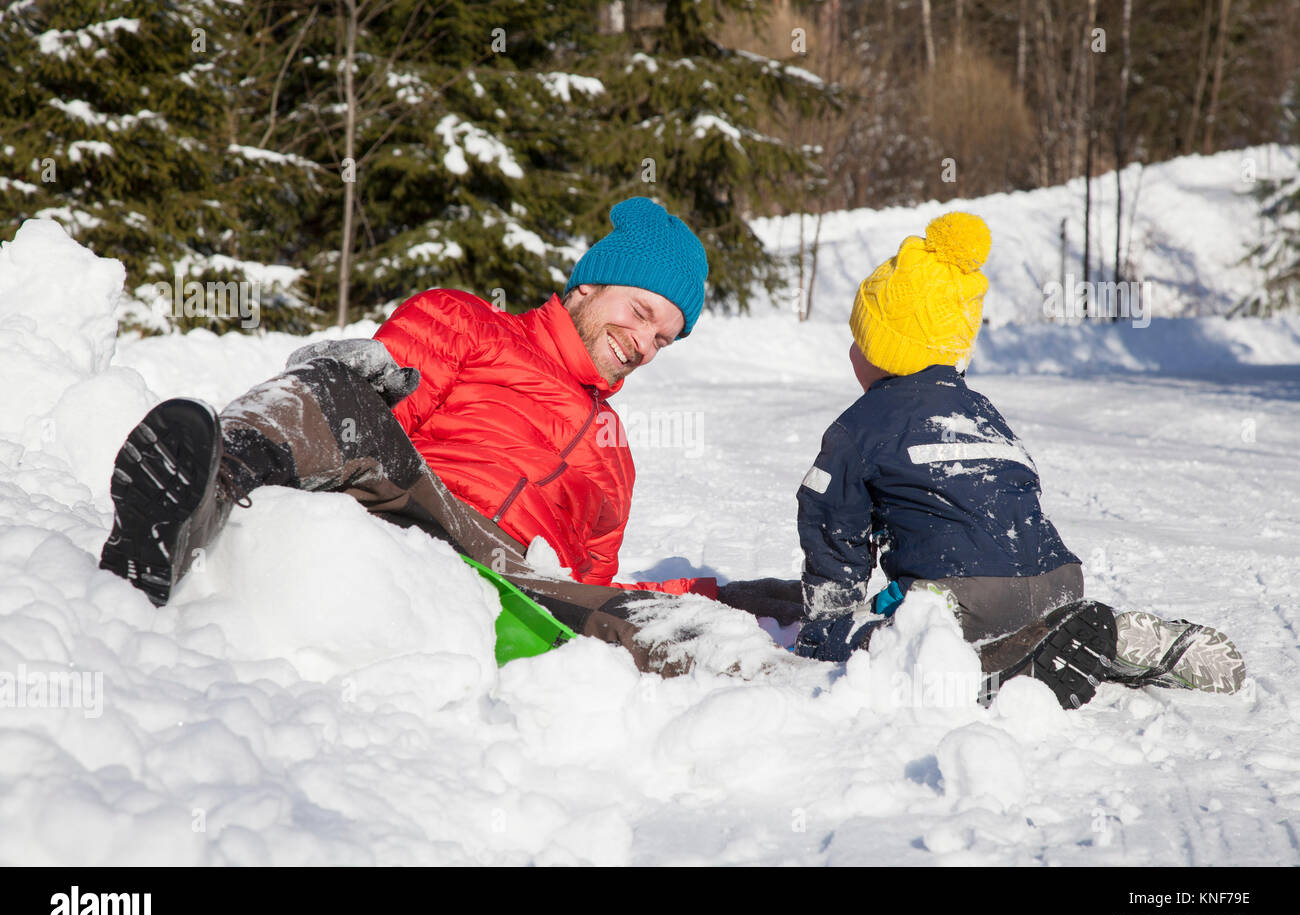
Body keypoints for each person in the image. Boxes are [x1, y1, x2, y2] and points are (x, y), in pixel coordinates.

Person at [99, 197, 780, 675]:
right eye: (640, 312)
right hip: (420, 512)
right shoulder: (467, 324)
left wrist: (733, 599)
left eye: (664, 338)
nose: (644, 346)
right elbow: (373, 425)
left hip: (523, 583)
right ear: (585, 287)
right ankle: (186, 509)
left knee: (698, 630)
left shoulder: (616, 454)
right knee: (339, 388)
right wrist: (352, 380)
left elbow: (593, 586)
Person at [793, 211, 1245, 708]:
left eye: (860, 337)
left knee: (859, 640)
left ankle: (996, 666)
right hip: (1057, 579)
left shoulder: (859, 426)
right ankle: (1098, 634)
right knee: (1007, 602)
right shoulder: (982, 411)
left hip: (961, 598)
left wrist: (830, 616)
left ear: (884, 350)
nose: (852, 349)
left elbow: (833, 524)